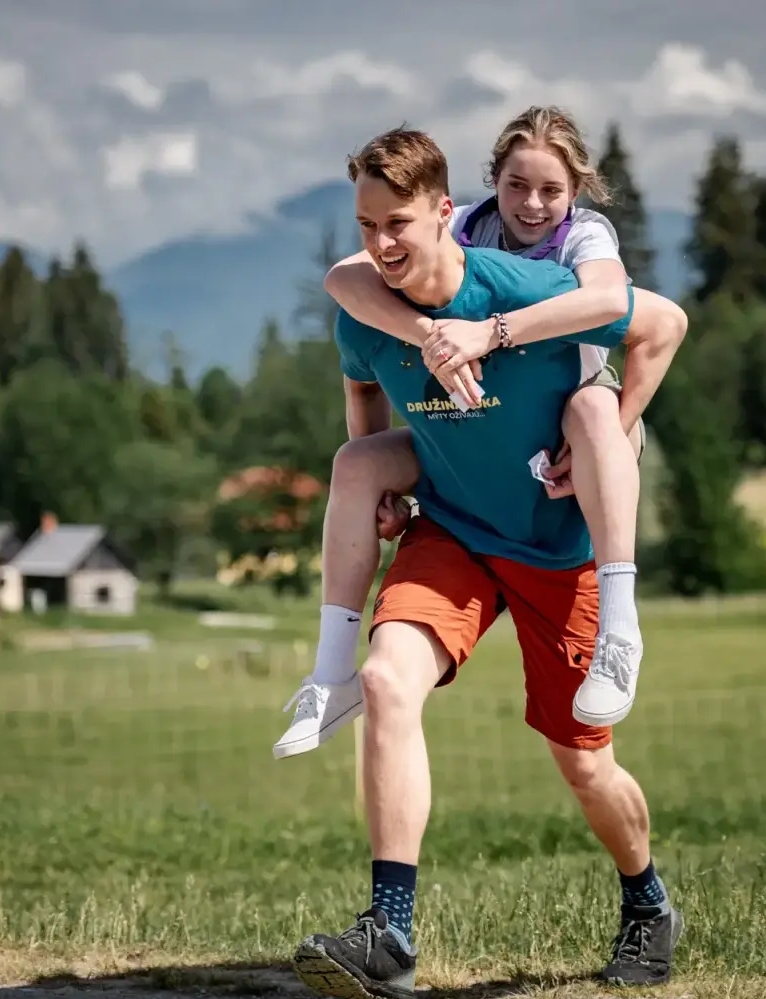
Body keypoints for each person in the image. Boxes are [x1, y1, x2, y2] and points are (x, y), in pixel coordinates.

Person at [289, 126, 683, 999]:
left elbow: (656, 321)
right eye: (367, 224)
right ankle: (389, 935)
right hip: (456, 530)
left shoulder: (547, 277)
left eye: (396, 224)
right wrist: (385, 481)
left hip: (556, 544)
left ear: (437, 217)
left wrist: (605, 434)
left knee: (583, 765)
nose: (380, 243)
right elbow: (356, 347)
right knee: (387, 683)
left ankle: (646, 899)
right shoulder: (380, 286)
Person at [273, 106, 686, 759]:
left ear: (574, 192)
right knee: (356, 460)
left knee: (590, 412)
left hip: (585, 417)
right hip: (477, 428)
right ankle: (330, 676)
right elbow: (344, 280)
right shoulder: (461, 225)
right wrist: (430, 337)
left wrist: (492, 335)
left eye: (550, 189)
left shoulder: (583, 239)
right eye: (516, 185)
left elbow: (617, 308)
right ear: (490, 182)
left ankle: (619, 629)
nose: (530, 203)